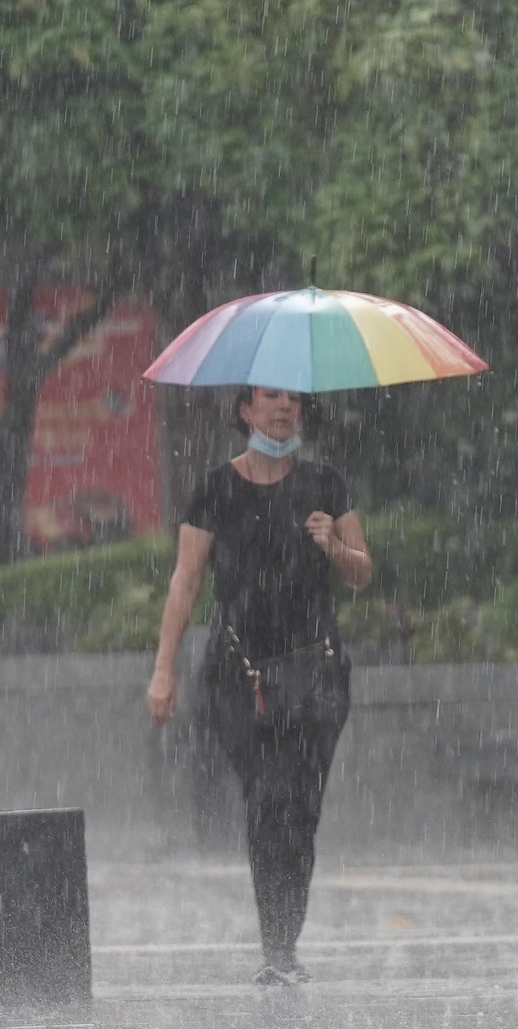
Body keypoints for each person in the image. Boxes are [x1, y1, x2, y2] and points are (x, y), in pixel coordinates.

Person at [148, 385, 371, 986]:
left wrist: (333, 544)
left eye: (293, 400)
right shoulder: (216, 489)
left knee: (301, 808)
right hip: (240, 677)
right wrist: (164, 667)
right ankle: (278, 945)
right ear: (244, 411)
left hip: (316, 675)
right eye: (270, 398)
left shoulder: (326, 485)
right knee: (268, 799)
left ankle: (283, 940)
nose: (284, 409)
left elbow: (362, 571)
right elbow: (186, 580)